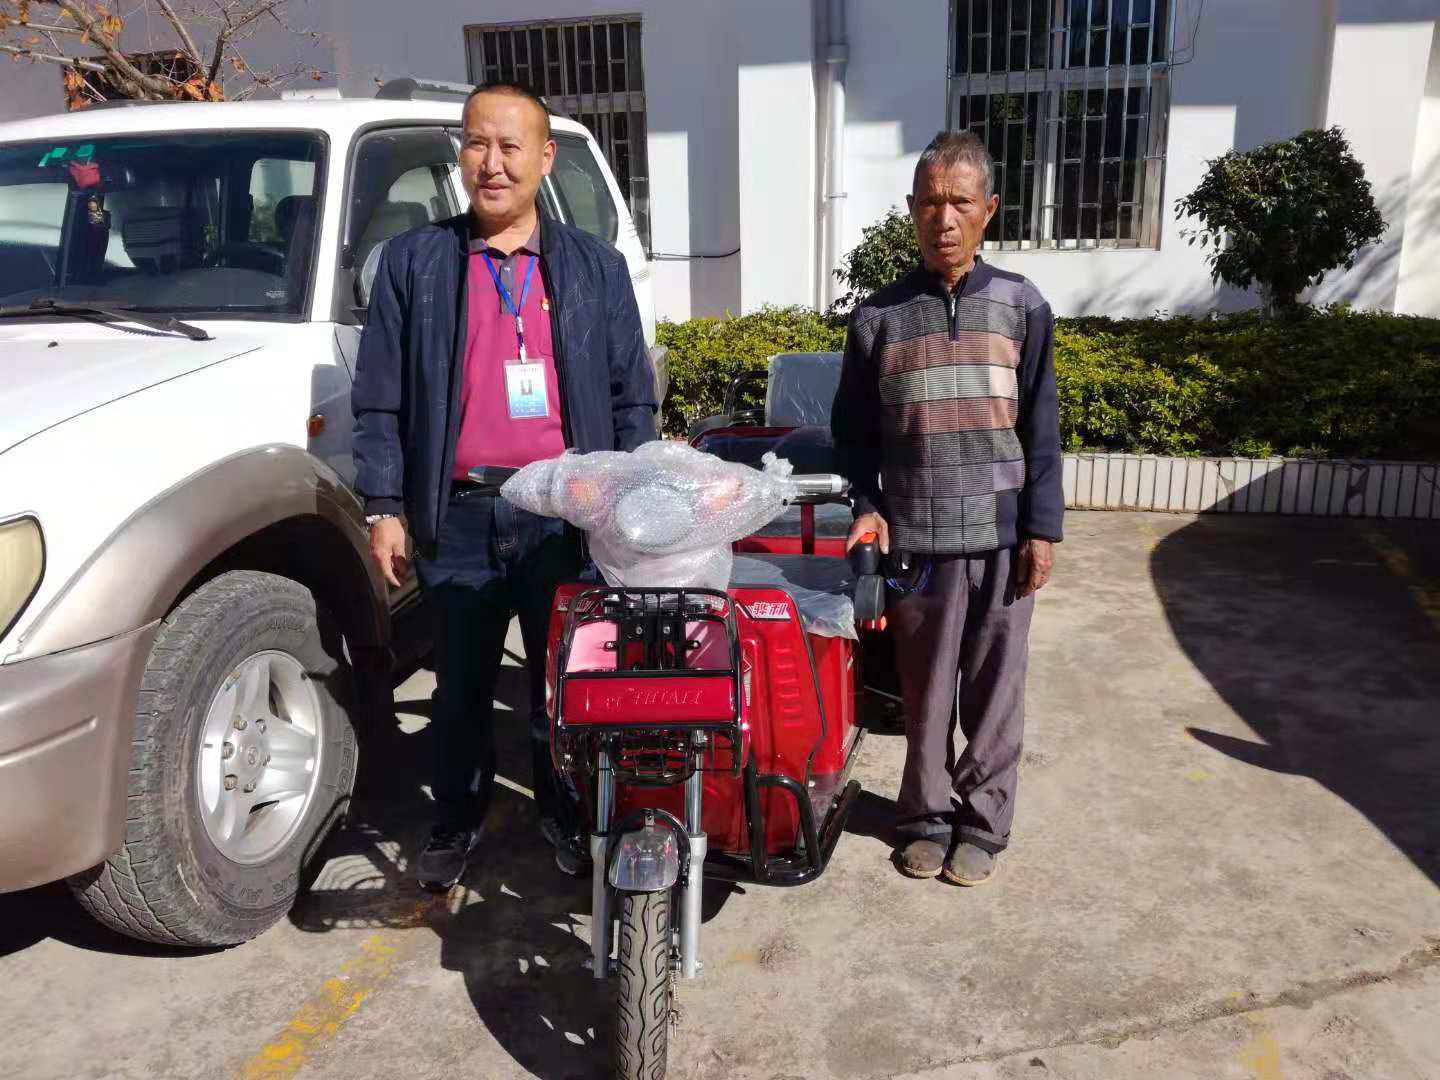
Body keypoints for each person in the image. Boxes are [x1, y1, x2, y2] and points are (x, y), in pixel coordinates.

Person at [351, 82, 658, 890]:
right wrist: (384, 505)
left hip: (564, 511)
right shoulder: (415, 265)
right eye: (476, 144)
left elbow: (632, 396)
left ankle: (563, 810)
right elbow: (379, 398)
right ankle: (455, 820)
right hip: (458, 514)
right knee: (459, 688)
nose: (491, 163)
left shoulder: (595, 268)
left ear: (545, 158)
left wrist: (630, 502)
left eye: (510, 146)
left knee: (563, 684)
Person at [831, 130, 1063, 887]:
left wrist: (1041, 528)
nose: (944, 218)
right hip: (918, 539)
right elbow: (854, 435)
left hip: (1001, 538)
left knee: (995, 691)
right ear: (911, 209)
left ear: (988, 209)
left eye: (960, 201)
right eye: (930, 202)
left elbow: (1041, 426)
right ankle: (924, 818)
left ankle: (983, 824)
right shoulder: (878, 316)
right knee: (925, 692)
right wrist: (870, 506)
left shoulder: (1022, 306)